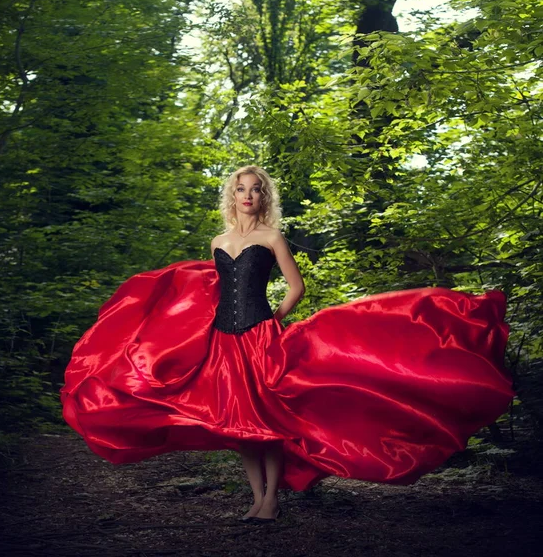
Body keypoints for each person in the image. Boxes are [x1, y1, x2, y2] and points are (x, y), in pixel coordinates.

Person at [61, 164, 515, 525]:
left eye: (256, 188)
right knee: (235, 427)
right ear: (232, 195)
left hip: (260, 337)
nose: (248, 195)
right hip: (222, 341)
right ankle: (256, 499)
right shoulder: (219, 240)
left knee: (267, 420)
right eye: (241, 188)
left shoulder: (272, 237)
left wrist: (275, 318)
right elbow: (214, 291)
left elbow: (295, 287)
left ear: (264, 196)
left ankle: (271, 501)